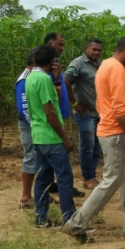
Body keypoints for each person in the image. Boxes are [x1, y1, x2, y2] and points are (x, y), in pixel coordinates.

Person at [63, 36, 125, 241]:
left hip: (118, 132)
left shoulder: (105, 65)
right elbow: (120, 109)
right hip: (117, 134)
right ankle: (76, 224)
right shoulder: (116, 69)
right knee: (111, 180)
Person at [25, 45, 77, 228]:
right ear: (52, 61)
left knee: (43, 178)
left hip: (38, 136)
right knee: (64, 178)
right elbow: (50, 111)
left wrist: (56, 80)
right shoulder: (43, 80)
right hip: (51, 137)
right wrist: (65, 138)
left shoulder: (31, 77)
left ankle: (41, 217)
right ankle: (70, 219)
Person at [44, 32, 85, 198]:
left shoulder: (55, 65)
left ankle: (53, 187)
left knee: (54, 159)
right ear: (50, 44)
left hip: (58, 116)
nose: (62, 48)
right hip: (51, 120)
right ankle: (61, 192)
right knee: (58, 159)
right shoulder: (43, 71)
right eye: (60, 45)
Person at [64, 38, 103, 190]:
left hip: (98, 112)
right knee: (88, 145)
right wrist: (74, 103)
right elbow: (66, 81)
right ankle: (88, 177)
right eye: (94, 49)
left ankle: (91, 175)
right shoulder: (78, 63)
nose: (96, 52)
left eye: (99, 50)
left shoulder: (99, 65)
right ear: (86, 48)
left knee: (96, 146)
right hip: (84, 113)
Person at [15, 47, 37, 209]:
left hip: (35, 124)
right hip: (29, 124)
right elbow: (23, 107)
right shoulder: (24, 79)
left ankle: (37, 194)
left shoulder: (33, 76)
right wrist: (34, 125)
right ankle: (25, 197)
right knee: (31, 156)